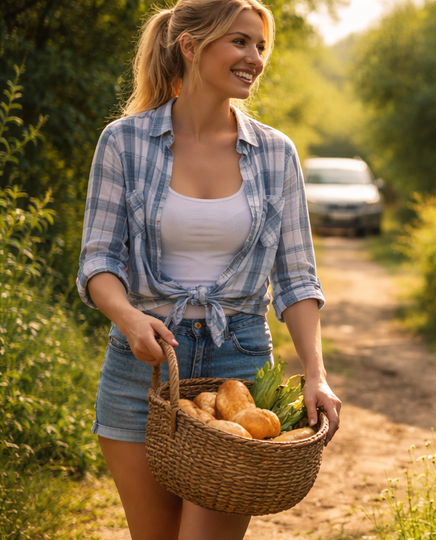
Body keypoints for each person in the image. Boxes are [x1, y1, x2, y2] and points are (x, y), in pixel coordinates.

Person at [77, 1, 341, 538]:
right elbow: (98, 262)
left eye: (261, 46)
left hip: (237, 366)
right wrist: (128, 318)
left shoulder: (275, 154)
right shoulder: (123, 143)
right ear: (191, 46)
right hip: (142, 369)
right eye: (240, 42)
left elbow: (296, 278)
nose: (255, 58)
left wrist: (316, 373)